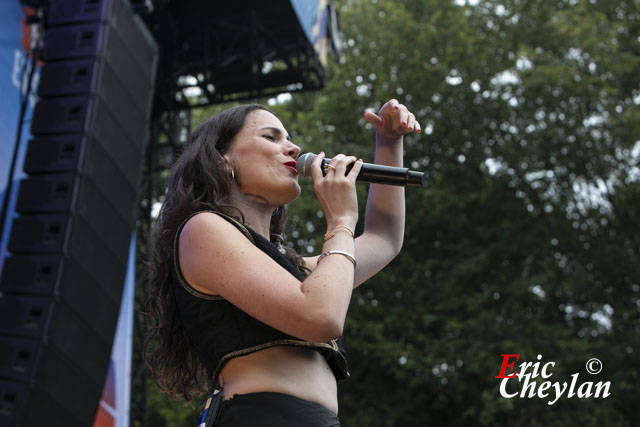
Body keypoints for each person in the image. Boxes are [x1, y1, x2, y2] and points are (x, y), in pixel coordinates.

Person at [144, 99, 421, 426]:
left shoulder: (292, 271)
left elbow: (383, 238)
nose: (293, 147)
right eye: (271, 137)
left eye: (288, 138)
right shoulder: (202, 229)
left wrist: (389, 143)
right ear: (221, 161)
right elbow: (319, 315)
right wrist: (340, 221)